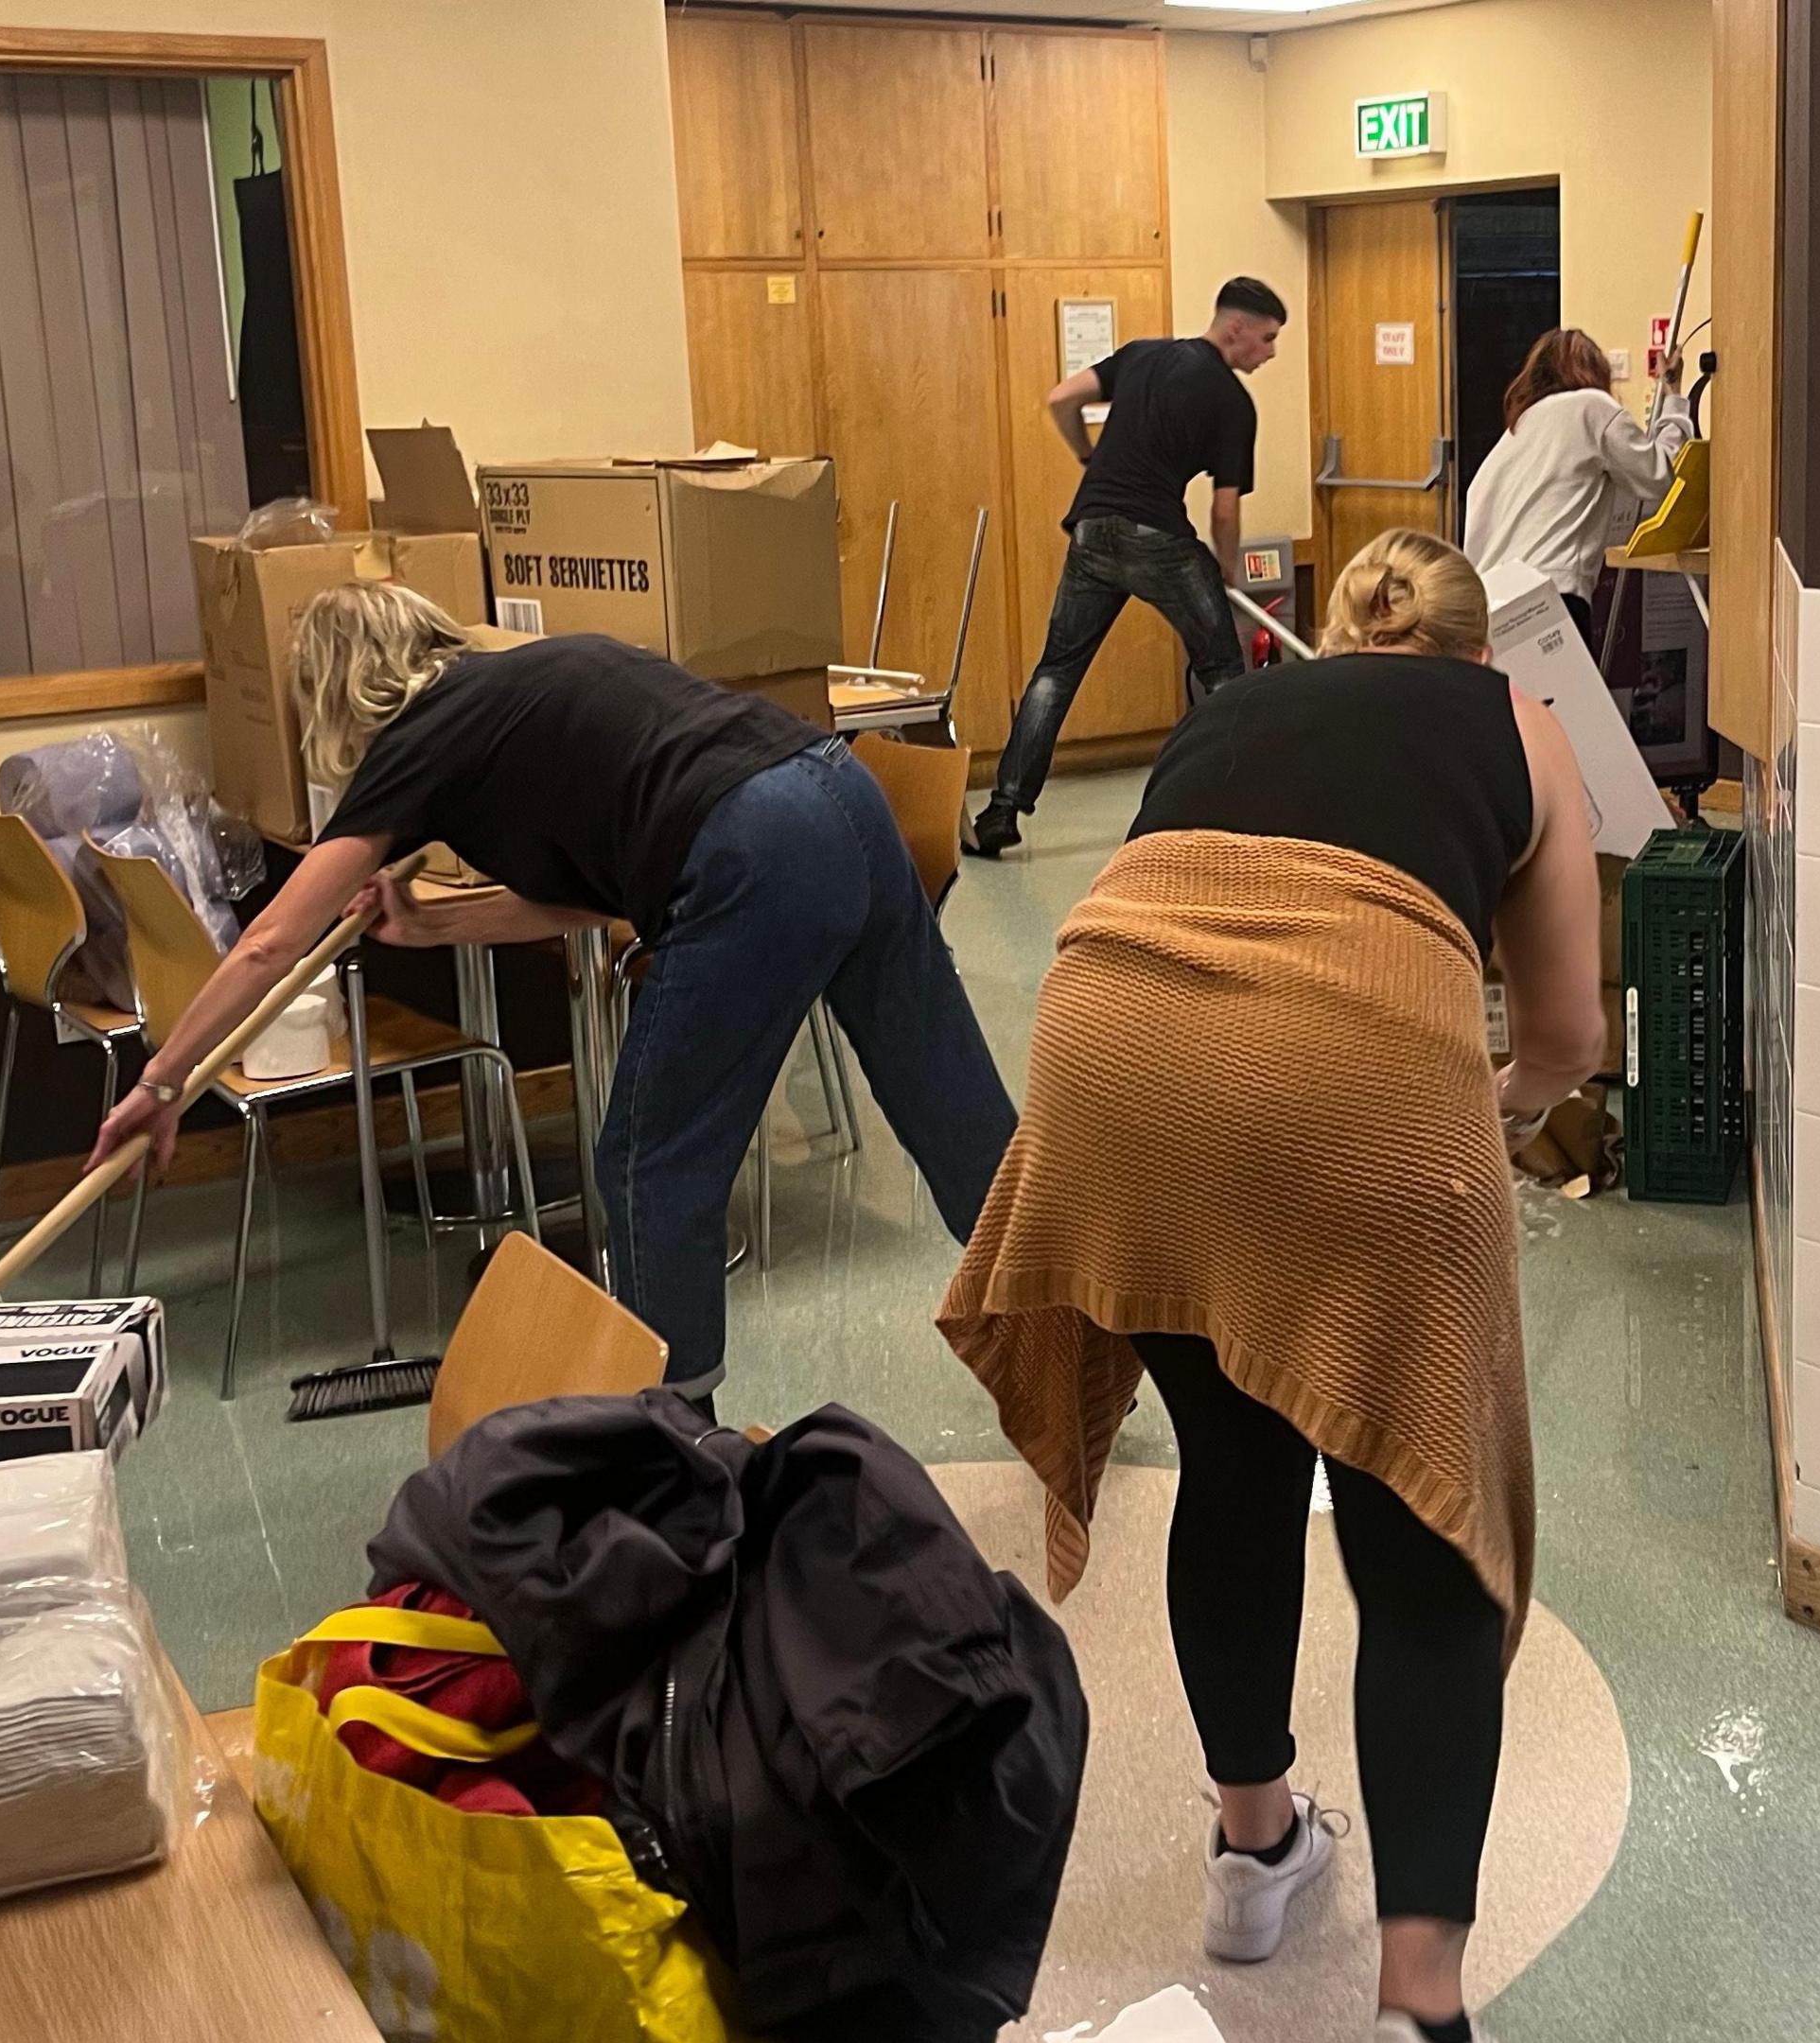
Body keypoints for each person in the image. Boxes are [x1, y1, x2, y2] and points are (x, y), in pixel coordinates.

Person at [937, 528, 1599, 2043]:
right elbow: (1565, 1036)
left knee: (1235, 1467)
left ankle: (1255, 1849)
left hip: (1113, 1055)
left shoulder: (1229, 706)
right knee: (1420, 1524)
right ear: (1475, 653)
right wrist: (1474, 1095)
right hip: (1347, 1075)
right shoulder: (1519, 723)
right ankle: (1417, 2004)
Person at [90, 584, 1016, 1402]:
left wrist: (162, 1082)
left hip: (752, 847)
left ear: (338, 690)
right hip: (841, 794)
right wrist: (433, 921)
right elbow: (590, 900)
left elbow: (271, 945)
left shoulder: (418, 739)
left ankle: (677, 1443)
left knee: (647, 1166)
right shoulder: (520, 690)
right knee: (949, 1108)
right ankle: (1072, 1344)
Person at [967, 275, 1286, 860]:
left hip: (1091, 529)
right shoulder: (1233, 404)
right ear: (1236, 329)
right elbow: (1222, 510)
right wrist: (1229, 574)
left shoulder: (1142, 354)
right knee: (1220, 670)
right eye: (1266, 340)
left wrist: (1086, 456)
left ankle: (1002, 810)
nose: (1269, 354)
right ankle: (1237, 805)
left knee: (1057, 669)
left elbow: (1062, 398)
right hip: (1158, 537)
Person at [1459, 327, 1691, 642]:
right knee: (1568, 693)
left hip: (1490, 606)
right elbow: (1661, 475)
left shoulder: (1515, 434)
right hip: (1550, 596)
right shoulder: (1592, 407)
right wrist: (1674, 401)